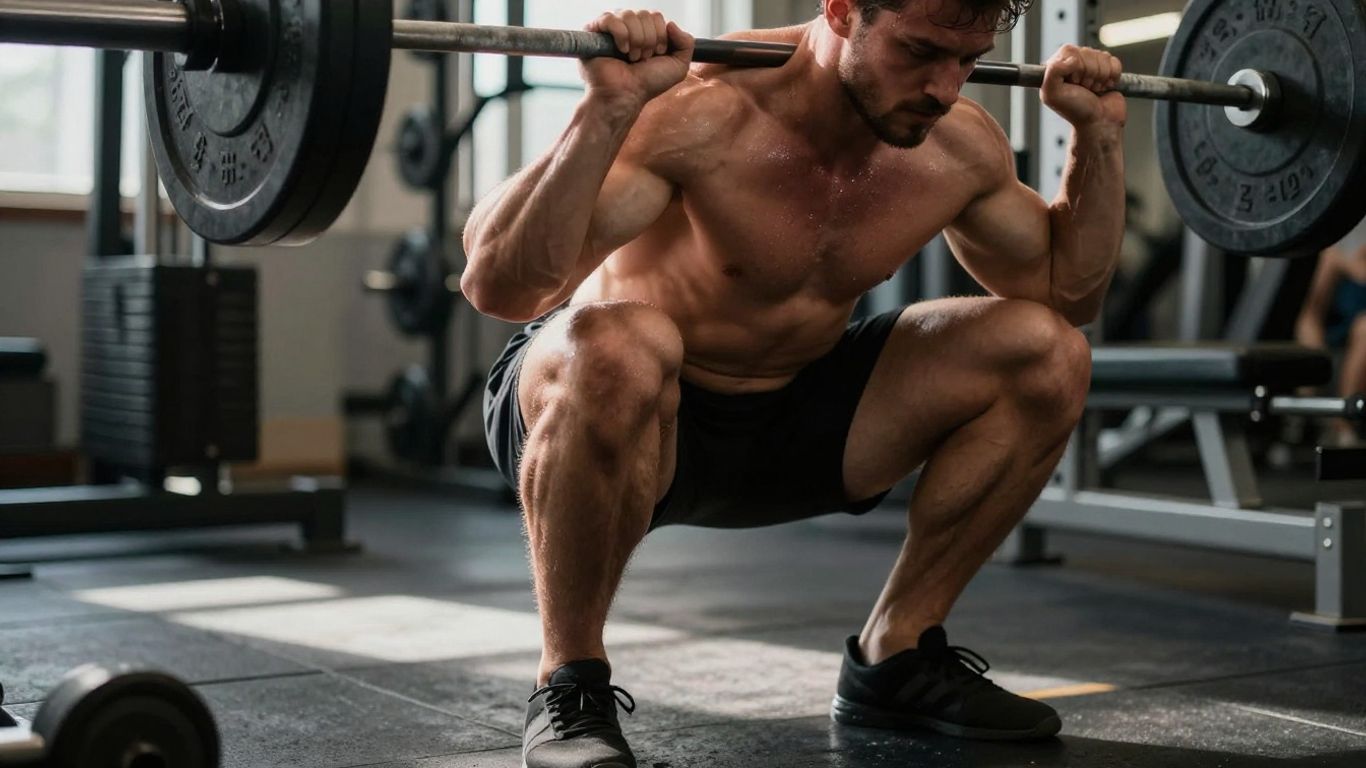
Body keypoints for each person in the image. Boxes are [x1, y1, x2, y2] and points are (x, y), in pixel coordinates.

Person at [463, 0, 1125, 765]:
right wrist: (607, 108)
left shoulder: (956, 146)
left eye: (966, 60)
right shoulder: (701, 114)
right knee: (616, 341)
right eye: (917, 52)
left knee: (1047, 351)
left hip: (796, 419)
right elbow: (502, 286)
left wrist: (1099, 138)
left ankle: (897, 654)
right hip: (628, 418)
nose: (945, 88)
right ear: (842, 11)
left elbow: (1068, 295)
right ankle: (569, 682)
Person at [1295, 216, 1366, 446]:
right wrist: (1312, 341)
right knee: (1308, 328)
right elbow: (1312, 311)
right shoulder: (1338, 252)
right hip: (1343, 329)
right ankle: (1301, 422)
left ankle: (1344, 426)